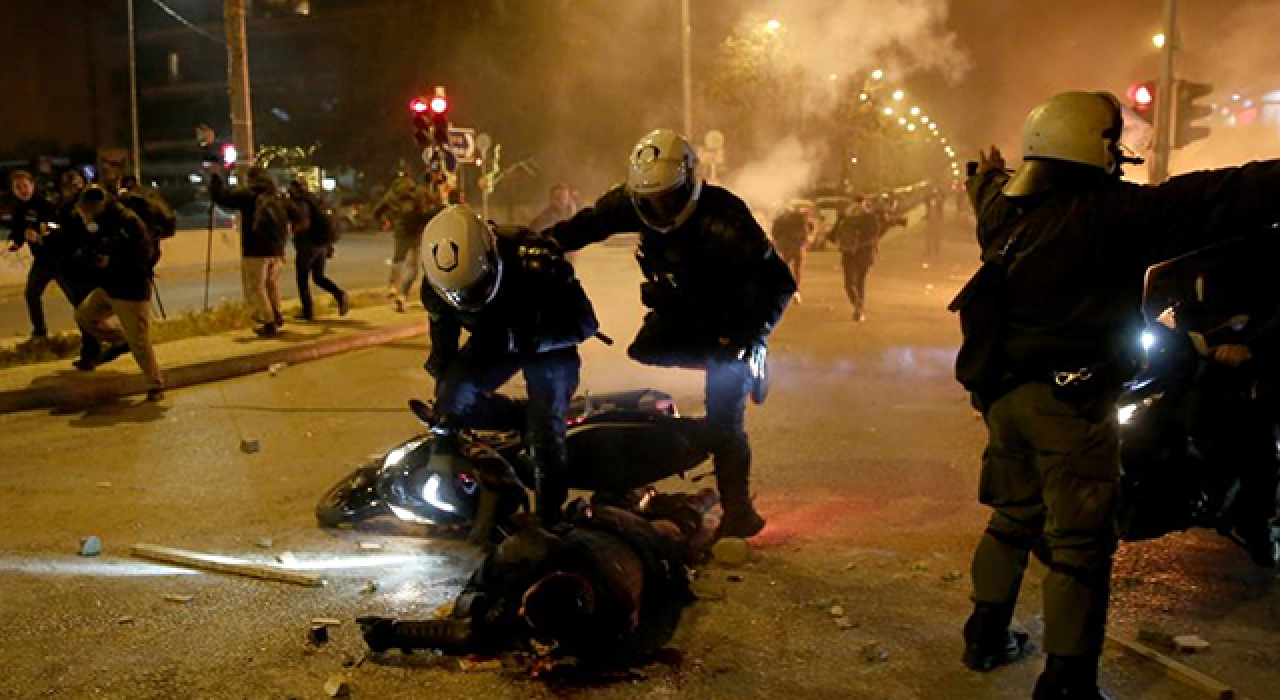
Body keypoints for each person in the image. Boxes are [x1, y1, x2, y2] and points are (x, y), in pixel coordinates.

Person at [953, 90, 1280, 700]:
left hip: (1003, 398)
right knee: (1081, 544)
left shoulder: (1004, 210)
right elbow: (1219, 197)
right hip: (1070, 406)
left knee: (1011, 518)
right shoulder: (1111, 213)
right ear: (1091, 145)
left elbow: (988, 186)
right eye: (1110, 139)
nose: (1118, 150)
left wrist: (987, 173)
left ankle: (984, 635)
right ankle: (1067, 684)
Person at [547, 128, 797, 539]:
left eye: (669, 198)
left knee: (726, 416)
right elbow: (588, 224)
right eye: (650, 201)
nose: (659, 209)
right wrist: (544, 243)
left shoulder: (727, 220)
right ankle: (688, 437)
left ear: (691, 182)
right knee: (646, 352)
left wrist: (750, 337)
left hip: (731, 322)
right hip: (679, 309)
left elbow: (780, 284)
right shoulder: (631, 201)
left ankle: (739, 512)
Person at [357, 489, 717, 667]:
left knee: (676, 528)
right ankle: (685, 503)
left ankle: (696, 503)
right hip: (598, 524)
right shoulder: (530, 551)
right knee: (656, 516)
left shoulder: (613, 620)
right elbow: (471, 614)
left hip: (638, 540)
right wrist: (392, 631)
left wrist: (394, 632)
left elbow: (474, 632)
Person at [419, 204, 600, 527]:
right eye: (457, 295)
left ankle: (550, 518)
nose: (465, 299)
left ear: (490, 259)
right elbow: (443, 346)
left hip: (546, 340)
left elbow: (585, 323)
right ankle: (516, 424)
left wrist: (532, 340)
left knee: (546, 431)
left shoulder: (537, 263)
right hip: (495, 340)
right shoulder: (436, 289)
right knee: (451, 402)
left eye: (473, 289)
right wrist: (445, 416)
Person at [1197, 300, 1280, 567]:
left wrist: (1251, 347)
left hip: (1261, 366)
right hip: (1224, 361)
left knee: (1259, 448)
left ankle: (1254, 520)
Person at [71, 185, 165, 401]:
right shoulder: (100, 221)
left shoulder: (127, 221)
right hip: (108, 286)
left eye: (85, 210)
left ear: (95, 205)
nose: (83, 214)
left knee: (139, 341)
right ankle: (121, 340)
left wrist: (112, 258)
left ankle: (155, 385)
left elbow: (144, 253)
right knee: (85, 316)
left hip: (131, 289)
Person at [210, 167, 290, 337]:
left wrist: (216, 180)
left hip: (256, 249)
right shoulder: (276, 198)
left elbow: (223, 198)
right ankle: (277, 314)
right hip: (277, 250)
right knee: (271, 284)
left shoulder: (250, 196)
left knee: (256, 287)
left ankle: (268, 322)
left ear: (251, 179)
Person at [6, 170, 73, 341]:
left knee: (76, 298)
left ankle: (92, 331)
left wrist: (41, 236)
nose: (22, 190)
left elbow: (59, 228)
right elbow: (18, 231)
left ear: (32, 185)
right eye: (18, 187)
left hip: (60, 261)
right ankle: (40, 332)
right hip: (41, 262)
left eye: (25, 186)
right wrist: (15, 242)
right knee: (31, 295)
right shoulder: (18, 209)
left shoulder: (46, 204)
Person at [286, 180, 349, 321]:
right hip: (321, 245)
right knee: (318, 277)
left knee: (302, 279)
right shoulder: (315, 200)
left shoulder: (300, 203)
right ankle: (340, 294)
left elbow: (302, 223)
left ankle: (307, 311)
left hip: (308, 245)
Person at [375, 173, 431, 311]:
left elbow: (377, 211)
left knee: (398, 259)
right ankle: (403, 295)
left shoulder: (391, 194)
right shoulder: (418, 191)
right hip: (416, 232)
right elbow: (427, 208)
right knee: (413, 267)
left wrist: (384, 221)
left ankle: (393, 285)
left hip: (400, 230)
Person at [829, 196, 883, 322]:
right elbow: (875, 234)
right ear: (864, 203)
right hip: (865, 254)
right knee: (860, 282)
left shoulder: (846, 217)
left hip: (848, 253)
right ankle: (860, 307)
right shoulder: (870, 217)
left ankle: (856, 302)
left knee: (849, 284)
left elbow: (831, 237)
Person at [769, 200, 812, 303]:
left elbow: (775, 231)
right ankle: (796, 291)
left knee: (786, 268)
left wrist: (777, 242)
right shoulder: (802, 217)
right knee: (798, 269)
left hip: (786, 245)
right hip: (798, 246)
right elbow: (809, 229)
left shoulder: (781, 218)